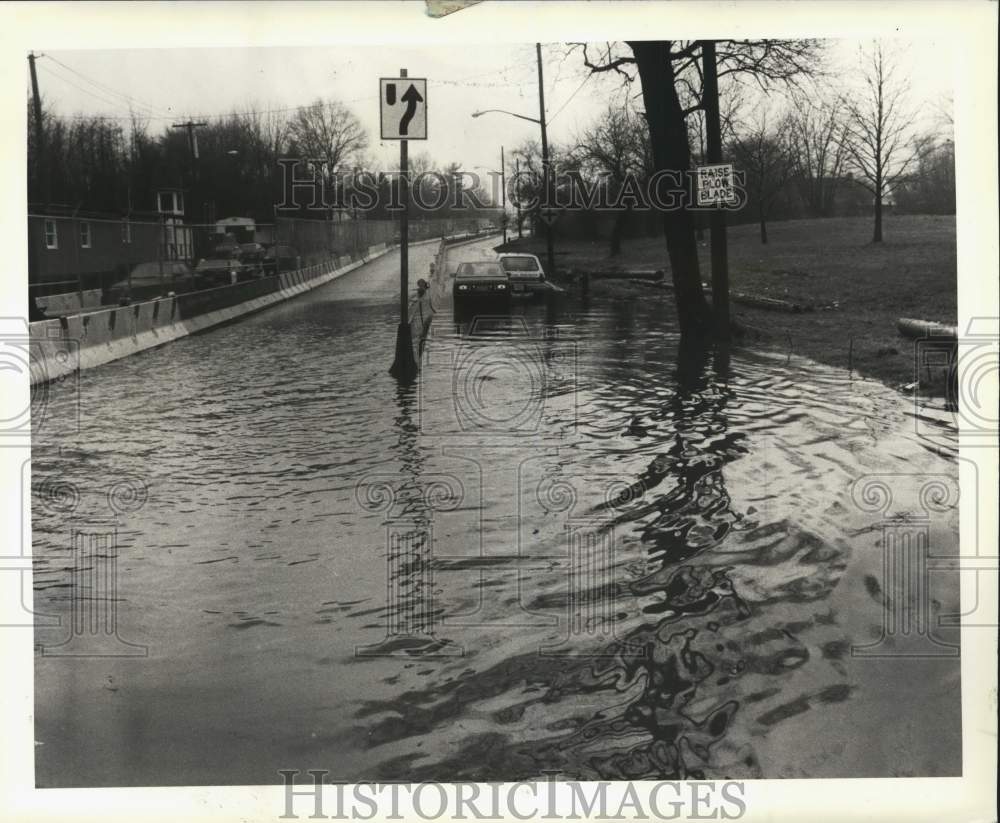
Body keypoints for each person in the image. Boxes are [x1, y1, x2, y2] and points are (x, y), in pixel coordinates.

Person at [409, 277, 436, 358]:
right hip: (422, 316)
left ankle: (422, 346)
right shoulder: (419, 293)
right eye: (419, 285)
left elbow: (430, 302)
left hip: (427, 315)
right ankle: (421, 347)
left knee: (424, 332)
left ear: (424, 284)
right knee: (422, 333)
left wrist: (433, 310)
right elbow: (414, 301)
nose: (420, 286)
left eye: (421, 284)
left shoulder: (427, 292)